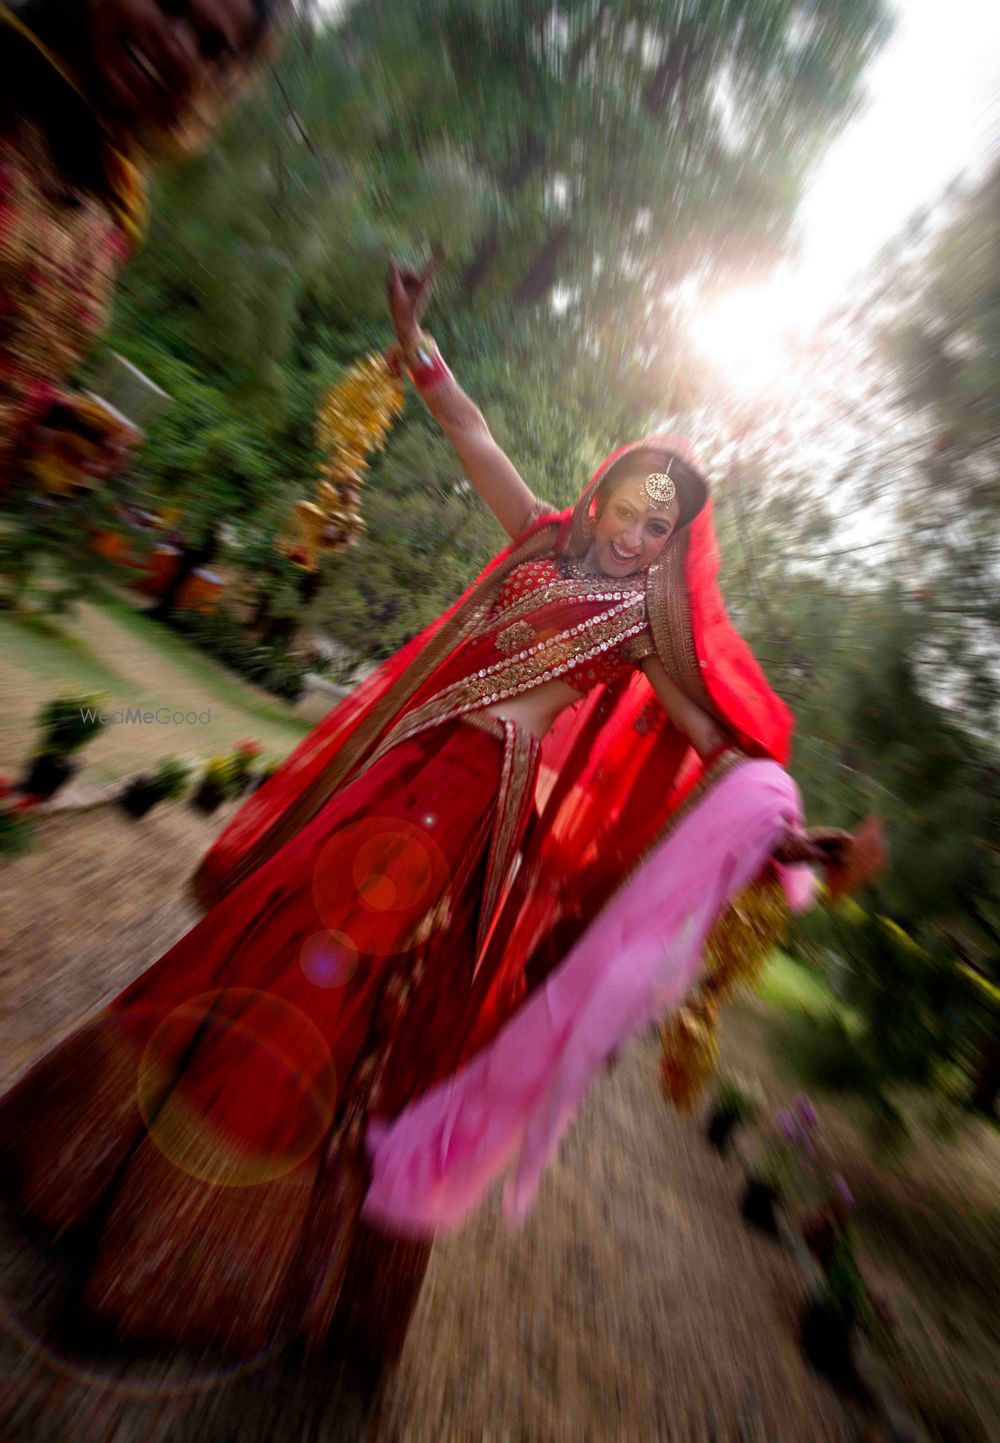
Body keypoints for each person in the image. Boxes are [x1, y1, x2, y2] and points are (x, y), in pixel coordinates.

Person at [0, 257, 843, 1392]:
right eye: (635, 504)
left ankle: (200, 1251)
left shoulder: (645, 626)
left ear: (675, 542)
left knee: (334, 984)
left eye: (664, 524)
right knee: (271, 932)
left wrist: (782, 834)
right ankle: (100, 1172)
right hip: (404, 763)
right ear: (601, 492)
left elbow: (714, 739)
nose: (641, 533)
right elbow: (469, 430)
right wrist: (414, 332)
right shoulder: (540, 539)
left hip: (468, 811)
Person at [0, 0, 287, 486]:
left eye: (210, 46)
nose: (178, 46)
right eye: (170, 5)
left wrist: (44, 427)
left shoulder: (113, 196)